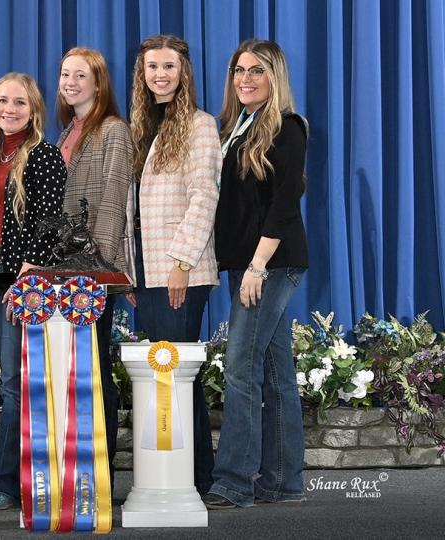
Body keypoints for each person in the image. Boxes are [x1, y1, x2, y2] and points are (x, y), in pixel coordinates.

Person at [204, 39, 309, 509]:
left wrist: (257, 267)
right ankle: (283, 481)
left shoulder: (288, 128)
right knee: (273, 368)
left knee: (241, 368)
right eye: (238, 70)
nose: (244, 79)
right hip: (247, 264)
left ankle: (233, 481)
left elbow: (285, 205)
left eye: (256, 71)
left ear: (275, 77)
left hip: (270, 263)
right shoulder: (236, 126)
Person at [127, 35, 221, 496]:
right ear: (141, 74)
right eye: (152, 67)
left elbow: (205, 195)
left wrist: (181, 261)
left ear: (183, 71)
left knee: (176, 372)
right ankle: (179, 471)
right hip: (144, 270)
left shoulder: (201, 125)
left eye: (168, 66)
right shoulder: (139, 126)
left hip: (179, 267)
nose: (160, 75)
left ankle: (196, 477)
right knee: (167, 371)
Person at [0, 73, 67, 510]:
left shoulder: (44, 156)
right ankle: (21, 473)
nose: (10, 109)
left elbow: (49, 222)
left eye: (20, 103)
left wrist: (29, 275)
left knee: (13, 384)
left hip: (20, 285)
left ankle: (5, 481)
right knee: (9, 381)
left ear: (34, 111)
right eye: (3, 101)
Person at [54, 46, 132, 495]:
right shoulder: (69, 129)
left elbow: (113, 202)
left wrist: (97, 267)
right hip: (66, 272)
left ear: (99, 83)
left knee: (94, 368)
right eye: (66, 74)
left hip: (91, 272)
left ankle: (98, 468)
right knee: (74, 369)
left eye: (80, 75)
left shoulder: (113, 131)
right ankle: (73, 462)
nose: (70, 82)